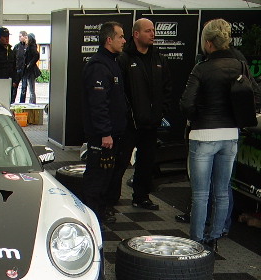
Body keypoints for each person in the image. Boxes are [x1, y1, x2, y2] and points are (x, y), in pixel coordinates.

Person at [179, 18, 260, 251]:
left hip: (203, 134)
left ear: (208, 43)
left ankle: (196, 243)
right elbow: (255, 95)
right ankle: (213, 239)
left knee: (201, 194)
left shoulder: (201, 68)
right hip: (230, 134)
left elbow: (186, 104)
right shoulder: (240, 65)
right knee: (223, 191)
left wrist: (198, 116)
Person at [111, 18, 172, 211]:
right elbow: (117, 92)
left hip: (151, 123)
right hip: (129, 124)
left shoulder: (159, 59)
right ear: (136, 34)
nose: (153, 34)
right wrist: (126, 116)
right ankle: (110, 200)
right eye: (148, 31)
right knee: (120, 163)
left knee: (146, 163)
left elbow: (167, 88)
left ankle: (141, 197)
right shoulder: (124, 59)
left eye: (153, 30)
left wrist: (160, 111)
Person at [81, 21, 128, 226]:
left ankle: (99, 215)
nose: (124, 41)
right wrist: (105, 133)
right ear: (109, 40)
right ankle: (90, 221)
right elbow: (98, 104)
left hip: (113, 134)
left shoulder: (112, 63)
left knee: (107, 178)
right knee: (96, 179)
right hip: (102, 137)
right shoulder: (99, 66)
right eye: (120, 36)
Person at [20, 33, 40, 104]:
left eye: (27, 38)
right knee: (31, 89)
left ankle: (32, 103)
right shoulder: (31, 46)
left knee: (31, 89)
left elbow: (36, 55)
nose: (26, 39)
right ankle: (31, 102)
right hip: (30, 71)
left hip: (31, 71)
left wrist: (30, 64)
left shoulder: (31, 46)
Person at [11, 31, 28, 103]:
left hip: (25, 70)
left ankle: (22, 103)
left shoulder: (28, 47)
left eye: (20, 36)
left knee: (24, 88)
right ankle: (12, 102)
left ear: (25, 37)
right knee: (14, 87)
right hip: (17, 70)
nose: (19, 38)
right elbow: (12, 58)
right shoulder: (17, 46)